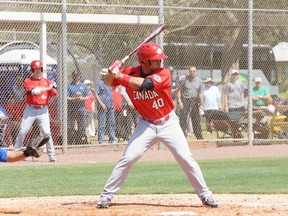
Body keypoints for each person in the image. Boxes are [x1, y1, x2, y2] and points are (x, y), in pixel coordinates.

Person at [97, 43, 218, 208]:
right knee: (129, 157)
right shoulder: (130, 72)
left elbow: (144, 84)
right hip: (146, 124)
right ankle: (106, 196)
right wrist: (112, 71)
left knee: (185, 158)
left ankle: (205, 195)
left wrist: (119, 75)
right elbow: (109, 82)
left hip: (168, 123)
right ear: (145, 62)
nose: (160, 62)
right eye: (156, 60)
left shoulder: (164, 73)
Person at [13, 60, 58, 162]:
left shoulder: (47, 81)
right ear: (32, 70)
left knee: (47, 133)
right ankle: (16, 152)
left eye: (39, 68)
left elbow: (55, 96)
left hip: (43, 110)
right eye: (35, 69)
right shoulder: (28, 81)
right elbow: (34, 92)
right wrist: (48, 88)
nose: (37, 70)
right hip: (31, 109)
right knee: (23, 130)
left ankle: (52, 155)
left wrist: (54, 88)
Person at [177, 66, 204, 139]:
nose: (192, 73)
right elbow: (179, 91)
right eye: (191, 71)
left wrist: (201, 104)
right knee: (183, 118)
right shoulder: (184, 80)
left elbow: (200, 93)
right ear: (189, 72)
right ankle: (182, 136)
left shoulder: (199, 81)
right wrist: (180, 101)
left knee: (196, 119)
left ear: (196, 72)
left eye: (194, 71)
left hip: (194, 100)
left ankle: (199, 137)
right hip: (185, 99)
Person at [67, 71, 89, 145]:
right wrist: (74, 98)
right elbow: (66, 97)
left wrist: (81, 98)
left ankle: (81, 141)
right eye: (74, 76)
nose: (76, 77)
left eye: (77, 76)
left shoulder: (83, 85)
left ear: (79, 76)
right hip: (72, 109)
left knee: (82, 126)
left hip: (81, 109)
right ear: (72, 77)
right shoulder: (69, 85)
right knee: (70, 126)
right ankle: (71, 141)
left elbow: (88, 96)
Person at [94, 68, 116, 144]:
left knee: (112, 123)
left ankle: (112, 139)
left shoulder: (110, 82)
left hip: (110, 104)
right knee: (101, 124)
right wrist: (101, 103)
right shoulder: (99, 83)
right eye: (104, 75)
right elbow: (96, 93)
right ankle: (101, 140)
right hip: (102, 105)